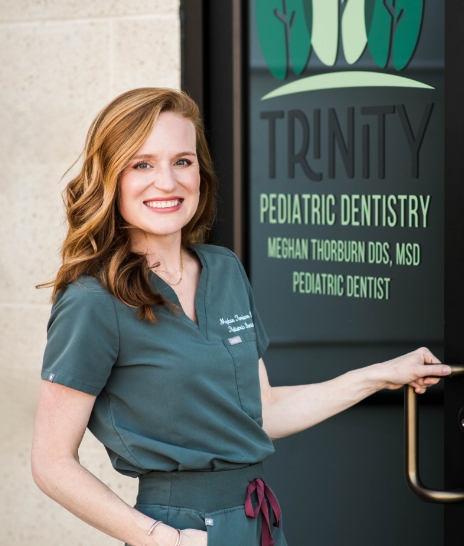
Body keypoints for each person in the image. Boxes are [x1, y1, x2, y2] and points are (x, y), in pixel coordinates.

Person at [31, 88, 450, 546]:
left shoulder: (223, 269)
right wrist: (165, 540)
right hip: (181, 529)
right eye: (142, 164)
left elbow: (262, 411)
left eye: (183, 161)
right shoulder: (93, 300)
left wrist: (380, 375)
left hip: (257, 518)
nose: (167, 182)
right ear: (110, 176)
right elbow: (51, 463)